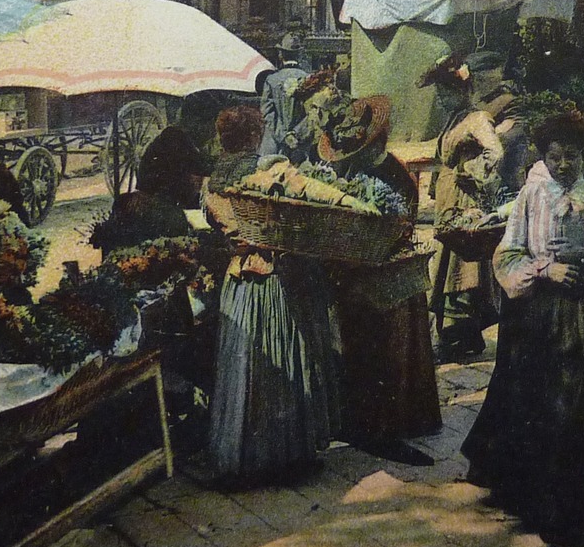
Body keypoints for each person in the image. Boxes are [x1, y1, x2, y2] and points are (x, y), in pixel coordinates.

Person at [461, 111, 584, 547]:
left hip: (582, 315)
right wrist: (543, 268)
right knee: (538, 408)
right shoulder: (530, 197)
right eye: (555, 157)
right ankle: (533, 502)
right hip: (535, 316)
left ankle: (567, 517)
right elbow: (508, 252)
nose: (563, 165)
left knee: (575, 411)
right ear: (544, 157)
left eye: (572, 156)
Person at [204, 111, 341, 487]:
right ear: (252, 135)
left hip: (238, 280)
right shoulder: (268, 170)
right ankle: (286, 455)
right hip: (274, 277)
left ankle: (248, 454)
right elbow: (316, 197)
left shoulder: (212, 182)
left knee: (245, 365)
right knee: (282, 359)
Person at [318, 96, 443, 464]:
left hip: (387, 276)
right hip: (354, 271)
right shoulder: (348, 170)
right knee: (358, 350)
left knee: (390, 352)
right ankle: (361, 422)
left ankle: (387, 428)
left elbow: (398, 226)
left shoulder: (394, 175)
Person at [420, 55, 506, 361]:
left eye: (447, 94)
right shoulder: (453, 120)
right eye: (440, 95)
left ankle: (456, 337)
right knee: (446, 264)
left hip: (465, 200)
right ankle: (466, 336)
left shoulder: (477, 119)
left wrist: (472, 173)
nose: (442, 100)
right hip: (448, 199)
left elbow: (496, 152)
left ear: (464, 91)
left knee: (462, 267)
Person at [90, 125, 205, 254]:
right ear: (184, 178)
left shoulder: (123, 203)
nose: (198, 184)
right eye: (195, 177)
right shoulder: (173, 218)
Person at [258, 35, 311, 158]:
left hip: (274, 144)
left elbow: (266, 114)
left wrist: (283, 135)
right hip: (299, 145)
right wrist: (295, 134)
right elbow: (311, 114)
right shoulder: (308, 79)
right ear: (299, 55)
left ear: (281, 55)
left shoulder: (271, 80)